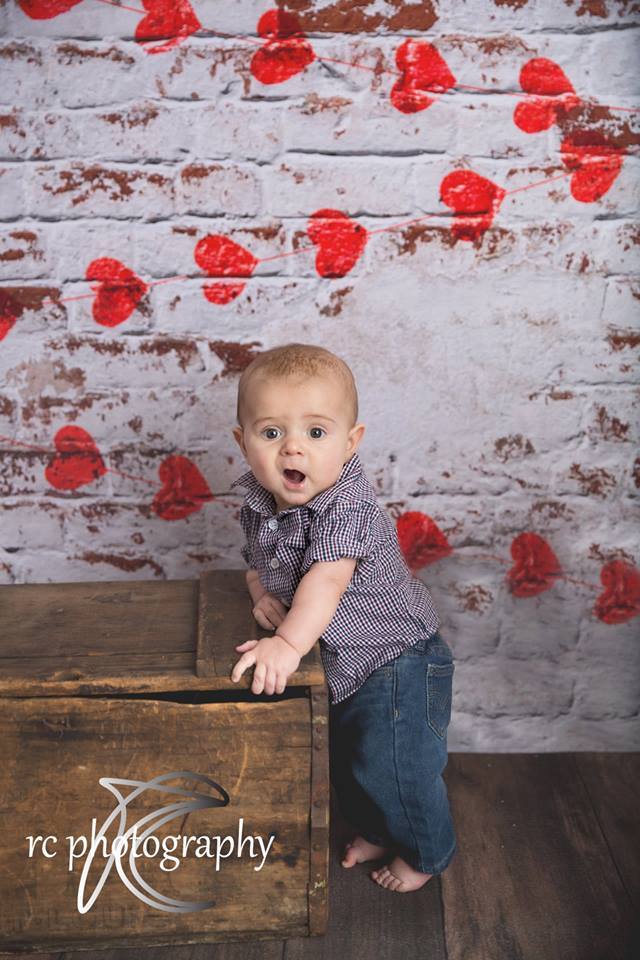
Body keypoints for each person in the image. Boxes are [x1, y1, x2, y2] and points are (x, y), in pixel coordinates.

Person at [229, 342, 457, 892]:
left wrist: (287, 645)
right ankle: (379, 830)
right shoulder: (259, 503)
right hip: (344, 660)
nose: (293, 448)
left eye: (315, 432)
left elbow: (325, 582)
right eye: (271, 432)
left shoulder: (346, 507)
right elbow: (255, 560)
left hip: (395, 658)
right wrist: (260, 590)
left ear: (350, 442)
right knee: (350, 761)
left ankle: (427, 854)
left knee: (394, 766)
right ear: (242, 442)